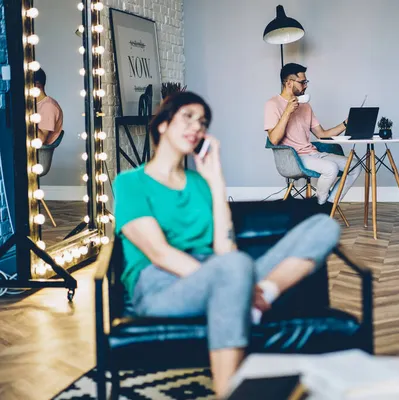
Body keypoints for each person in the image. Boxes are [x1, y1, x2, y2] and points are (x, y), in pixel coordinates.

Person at [113, 91, 341, 398]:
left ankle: (261, 296)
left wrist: (216, 180)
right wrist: (234, 278)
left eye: (202, 122)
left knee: (322, 225)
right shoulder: (130, 182)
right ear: (164, 124)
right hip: (159, 285)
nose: (197, 127)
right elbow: (159, 253)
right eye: (188, 118)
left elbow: (224, 249)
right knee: (234, 266)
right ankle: (227, 391)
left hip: (222, 274)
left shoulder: (201, 184)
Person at [264, 63, 360, 207]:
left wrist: (346, 123)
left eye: (306, 82)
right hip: (295, 158)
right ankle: (318, 207)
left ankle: (328, 204)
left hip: (313, 153)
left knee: (354, 166)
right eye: (302, 82)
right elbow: (274, 139)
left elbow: (322, 134)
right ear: (289, 83)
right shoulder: (273, 104)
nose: (306, 86)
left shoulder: (306, 106)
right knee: (331, 168)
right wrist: (287, 111)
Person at [33, 68, 63, 145]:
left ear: (37, 85)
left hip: (38, 154)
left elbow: (40, 139)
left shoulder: (48, 106)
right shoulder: (35, 104)